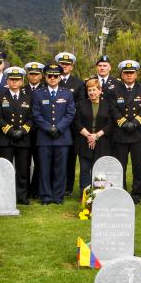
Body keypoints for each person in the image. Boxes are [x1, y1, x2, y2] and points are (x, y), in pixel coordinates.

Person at [32, 63, 75, 204]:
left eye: (55, 75)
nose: (52, 78)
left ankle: (58, 196)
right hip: (44, 137)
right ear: (45, 77)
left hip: (62, 137)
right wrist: (48, 128)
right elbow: (36, 115)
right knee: (44, 169)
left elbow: (70, 113)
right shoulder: (38, 94)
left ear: (60, 77)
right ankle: (45, 196)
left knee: (61, 169)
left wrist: (59, 128)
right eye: (50, 75)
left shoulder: (67, 93)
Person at [110, 60, 141, 204]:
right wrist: (123, 122)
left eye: (131, 73)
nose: (128, 75)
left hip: (138, 134)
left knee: (138, 166)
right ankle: (120, 191)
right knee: (120, 166)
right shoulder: (114, 90)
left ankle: (136, 194)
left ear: (136, 74)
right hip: (120, 134)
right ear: (121, 74)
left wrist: (136, 122)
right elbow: (112, 109)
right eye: (126, 73)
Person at [0, 66, 34, 205]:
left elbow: (31, 118)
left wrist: (23, 131)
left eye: (17, 80)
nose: (14, 82)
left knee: (23, 170)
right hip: (6, 139)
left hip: (23, 139)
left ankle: (22, 196)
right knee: (5, 170)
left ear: (22, 81)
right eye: (11, 79)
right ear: (7, 80)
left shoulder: (28, 97)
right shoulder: (0, 96)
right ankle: (6, 196)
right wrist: (10, 130)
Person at [74, 77, 113, 195]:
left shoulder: (107, 105)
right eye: (89, 90)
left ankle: (99, 194)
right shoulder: (81, 105)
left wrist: (96, 136)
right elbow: (76, 122)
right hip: (84, 141)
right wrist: (89, 136)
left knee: (100, 170)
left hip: (102, 142)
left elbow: (110, 123)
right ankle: (85, 196)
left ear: (100, 90)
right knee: (85, 170)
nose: (92, 92)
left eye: (94, 90)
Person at [57, 52, 85, 196]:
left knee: (71, 158)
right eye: (62, 64)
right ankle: (56, 185)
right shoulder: (52, 79)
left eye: (67, 64)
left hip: (72, 126)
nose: (64, 66)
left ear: (72, 67)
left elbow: (80, 103)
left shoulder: (79, 83)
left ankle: (68, 187)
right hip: (55, 124)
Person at [24, 62, 45, 199]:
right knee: (24, 163)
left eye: (36, 74)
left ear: (41, 76)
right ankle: (24, 190)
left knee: (39, 162)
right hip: (25, 132)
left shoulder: (45, 89)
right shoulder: (22, 89)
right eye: (31, 74)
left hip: (40, 131)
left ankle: (36, 190)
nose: (33, 76)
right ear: (27, 75)